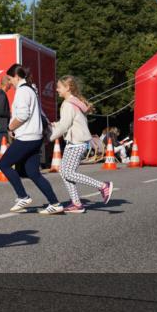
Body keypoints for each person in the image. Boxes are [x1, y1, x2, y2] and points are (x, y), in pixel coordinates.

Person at [0, 64, 65, 214]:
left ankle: (23, 196)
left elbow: (22, 115)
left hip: (26, 137)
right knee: (33, 173)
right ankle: (55, 203)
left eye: (10, 79)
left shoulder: (22, 91)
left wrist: (10, 128)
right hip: (36, 137)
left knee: (4, 164)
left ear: (16, 77)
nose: (10, 83)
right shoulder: (31, 89)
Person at [48, 76, 113, 213]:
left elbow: (65, 125)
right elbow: (68, 122)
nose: (57, 89)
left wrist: (49, 138)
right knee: (64, 172)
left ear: (67, 88)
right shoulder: (74, 102)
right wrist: (55, 125)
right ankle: (76, 203)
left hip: (76, 143)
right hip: (75, 142)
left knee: (68, 173)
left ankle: (102, 186)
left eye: (59, 87)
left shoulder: (68, 104)